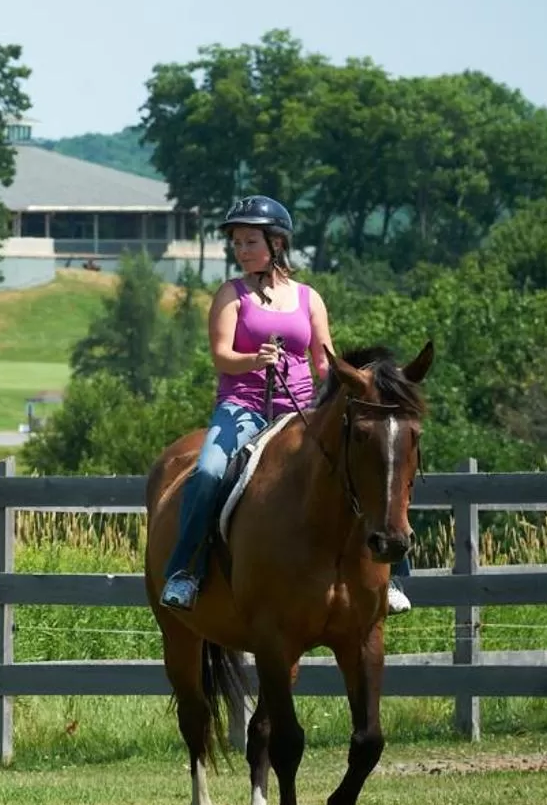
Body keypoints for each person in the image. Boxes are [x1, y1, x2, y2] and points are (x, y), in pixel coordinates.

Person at [157, 195, 413, 615]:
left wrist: (353, 389)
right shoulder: (230, 295)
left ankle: (393, 577)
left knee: (370, 459)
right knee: (206, 472)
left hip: (301, 409)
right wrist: (253, 360)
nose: (241, 251)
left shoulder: (308, 298)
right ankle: (185, 571)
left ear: (276, 244)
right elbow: (221, 355)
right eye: (236, 243)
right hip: (242, 409)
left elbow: (324, 360)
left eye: (250, 242)